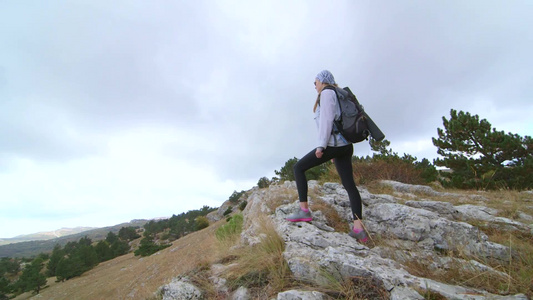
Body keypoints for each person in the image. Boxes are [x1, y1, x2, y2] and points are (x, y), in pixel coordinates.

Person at [286, 70, 368, 243]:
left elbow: (326, 121)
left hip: (334, 145)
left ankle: (304, 211)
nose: (314, 85)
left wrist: (321, 146)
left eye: (315, 82)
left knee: (298, 168)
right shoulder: (337, 94)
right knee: (349, 186)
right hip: (345, 146)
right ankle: (359, 229)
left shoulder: (327, 93)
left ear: (322, 81)